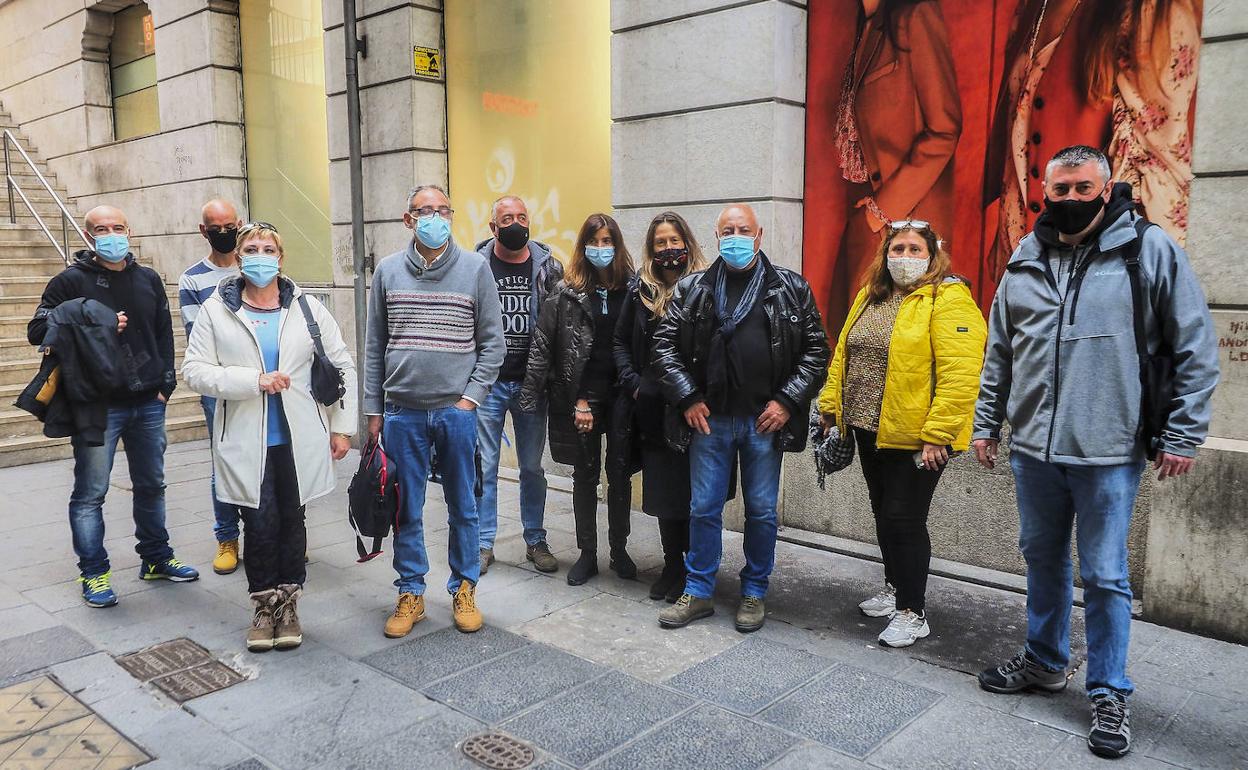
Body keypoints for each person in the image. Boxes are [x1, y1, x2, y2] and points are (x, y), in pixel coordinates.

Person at [972, 146, 1218, 759]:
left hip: (1110, 450)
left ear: (1106, 190)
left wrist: (1183, 433)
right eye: (1062, 188)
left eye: (1085, 187)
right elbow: (1000, 349)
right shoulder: (1024, 260)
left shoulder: (1146, 250)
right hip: (1034, 449)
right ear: (1045, 192)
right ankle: (1046, 660)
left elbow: (1194, 345)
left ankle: (1108, 689)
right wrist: (986, 423)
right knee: (1042, 559)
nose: (1072, 198)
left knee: (1105, 575)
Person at [652, 203, 829, 633]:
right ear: (716, 237)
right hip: (709, 421)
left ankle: (753, 591)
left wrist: (787, 401)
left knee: (763, 511)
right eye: (727, 230)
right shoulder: (694, 288)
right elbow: (663, 346)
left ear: (759, 234)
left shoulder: (790, 287)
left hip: (763, 421)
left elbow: (816, 350)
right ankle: (698, 590)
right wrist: (688, 397)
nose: (735, 236)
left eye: (743, 229)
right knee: (704, 508)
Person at [182, 222, 356, 652]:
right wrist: (252, 381)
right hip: (245, 438)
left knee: (293, 523)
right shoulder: (216, 311)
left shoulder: (307, 308)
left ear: (281, 257)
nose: (261, 256)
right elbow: (194, 371)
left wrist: (342, 428)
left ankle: (290, 602)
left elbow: (341, 365)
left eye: (269, 249)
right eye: (252, 249)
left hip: (299, 439)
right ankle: (263, 605)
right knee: (258, 525)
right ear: (239, 258)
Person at [817, 221, 985, 648]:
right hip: (869, 427)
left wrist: (939, 435)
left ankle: (913, 611)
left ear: (932, 255)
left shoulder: (949, 300)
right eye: (898, 248)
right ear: (885, 253)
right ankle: (894, 590)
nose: (905, 257)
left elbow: (961, 375)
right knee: (883, 511)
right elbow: (843, 354)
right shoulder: (870, 295)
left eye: (914, 249)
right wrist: (830, 408)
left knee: (904, 518)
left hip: (918, 437)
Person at [27, 205, 199, 608]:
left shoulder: (147, 278)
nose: (111, 234)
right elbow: (37, 330)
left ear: (129, 230)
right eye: (101, 229)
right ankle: (94, 573)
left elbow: (162, 331)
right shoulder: (69, 281)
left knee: (152, 485)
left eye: (117, 227)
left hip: (148, 401)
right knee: (91, 493)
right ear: (88, 237)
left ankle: (156, 558)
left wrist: (166, 385)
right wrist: (89, 319)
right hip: (95, 405)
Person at [364, 185, 504, 637]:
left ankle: (464, 587)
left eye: (442, 210)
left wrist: (470, 401)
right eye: (424, 211)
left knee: (464, 505)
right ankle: (410, 593)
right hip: (402, 411)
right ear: (408, 220)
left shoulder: (475, 269)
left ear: (452, 216)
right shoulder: (386, 272)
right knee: (407, 508)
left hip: (456, 413)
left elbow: (492, 344)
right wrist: (373, 410)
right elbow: (373, 346)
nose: (433, 217)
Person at [983, 0, 1201, 280]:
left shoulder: (1142, 11)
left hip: (1095, 265)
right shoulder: (1031, 8)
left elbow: (1155, 158)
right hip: (1023, 248)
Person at [520, 213, 636, 587]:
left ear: (617, 246)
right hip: (582, 400)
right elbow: (544, 348)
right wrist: (559, 400)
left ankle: (619, 550)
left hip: (623, 399)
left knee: (619, 476)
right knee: (584, 476)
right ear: (583, 246)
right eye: (594, 241)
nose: (601, 248)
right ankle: (587, 554)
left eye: (607, 241)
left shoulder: (633, 289)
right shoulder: (565, 293)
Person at [829, 0, 961, 323]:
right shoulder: (865, 26)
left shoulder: (915, 14)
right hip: (869, 224)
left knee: (906, 349)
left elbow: (944, 128)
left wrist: (882, 210)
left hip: (908, 222)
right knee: (852, 344)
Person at [613, 211, 708, 603]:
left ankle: (694, 568)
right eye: (661, 243)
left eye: (674, 241)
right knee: (665, 495)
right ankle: (672, 565)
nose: (669, 249)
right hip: (653, 410)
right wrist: (636, 387)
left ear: (687, 242)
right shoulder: (640, 292)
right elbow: (620, 344)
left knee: (694, 495)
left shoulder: (707, 288)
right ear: (651, 250)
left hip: (694, 410)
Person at [474, 195, 563, 577]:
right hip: (488, 383)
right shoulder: (474, 266)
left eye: (521, 217)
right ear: (493, 227)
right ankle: (482, 543)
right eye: (506, 218)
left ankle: (535, 539)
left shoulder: (549, 267)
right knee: (486, 466)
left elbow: (562, 322)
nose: (515, 223)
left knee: (531, 467)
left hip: (532, 384)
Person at [178, 199, 243, 576]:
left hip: (263, 383)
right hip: (217, 386)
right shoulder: (192, 279)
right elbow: (198, 338)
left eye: (229, 226)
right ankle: (226, 536)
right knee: (223, 459)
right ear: (204, 231)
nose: (224, 234)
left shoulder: (256, 267)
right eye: (216, 228)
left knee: (268, 458)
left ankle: (267, 531)